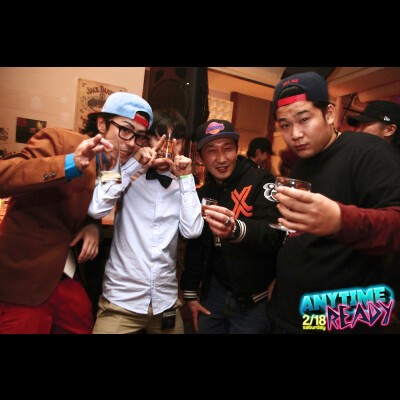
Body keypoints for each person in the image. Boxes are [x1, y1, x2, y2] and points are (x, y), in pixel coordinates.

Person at [266, 72, 400, 334]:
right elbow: (297, 236)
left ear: (328, 114)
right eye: (285, 125)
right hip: (287, 308)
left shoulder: (369, 151)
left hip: (336, 315)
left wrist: (339, 220)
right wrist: (280, 281)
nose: (295, 134)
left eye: (304, 119)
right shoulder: (301, 165)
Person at [0, 99, 119, 333]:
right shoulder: (60, 140)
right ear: (102, 124)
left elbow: (90, 206)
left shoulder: (112, 165)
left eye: (139, 136)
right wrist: (69, 163)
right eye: (125, 130)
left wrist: (93, 226)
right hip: (25, 279)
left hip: (67, 278)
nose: (131, 142)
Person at [88, 108, 203, 334]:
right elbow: (96, 208)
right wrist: (134, 164)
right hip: (121, 302)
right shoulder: (123, 170)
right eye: (157, 138)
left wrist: (187, 178)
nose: (165, 147)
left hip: (166, 303)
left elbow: (192, 231)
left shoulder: (184, 185)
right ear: (146, 140)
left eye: (174, 140)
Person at [180, 119, 284, 334]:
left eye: (227, 148)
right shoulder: (203, 193)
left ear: (237, 150)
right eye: (211, 151)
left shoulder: (261, 180)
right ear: (200, 157)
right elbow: (197, 244)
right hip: (213, 294)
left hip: (253, 298)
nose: (221, 158)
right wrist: (190, 293)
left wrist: (236, 230)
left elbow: (274, 233)